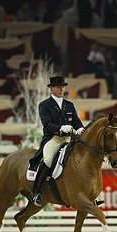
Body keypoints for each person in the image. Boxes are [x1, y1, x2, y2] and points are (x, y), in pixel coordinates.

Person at [29, 76, 85, 206]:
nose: (61, 89)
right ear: (51, 88)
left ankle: (91, 194)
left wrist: (81, 129)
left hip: (68, 140)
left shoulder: (69, 105)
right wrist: (61, 127)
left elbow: (76, 122)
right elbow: (47, 124)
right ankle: (36, 193)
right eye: (58, 87)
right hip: (53, 139)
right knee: (48, 160)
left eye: (62, 87)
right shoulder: (44, 105)